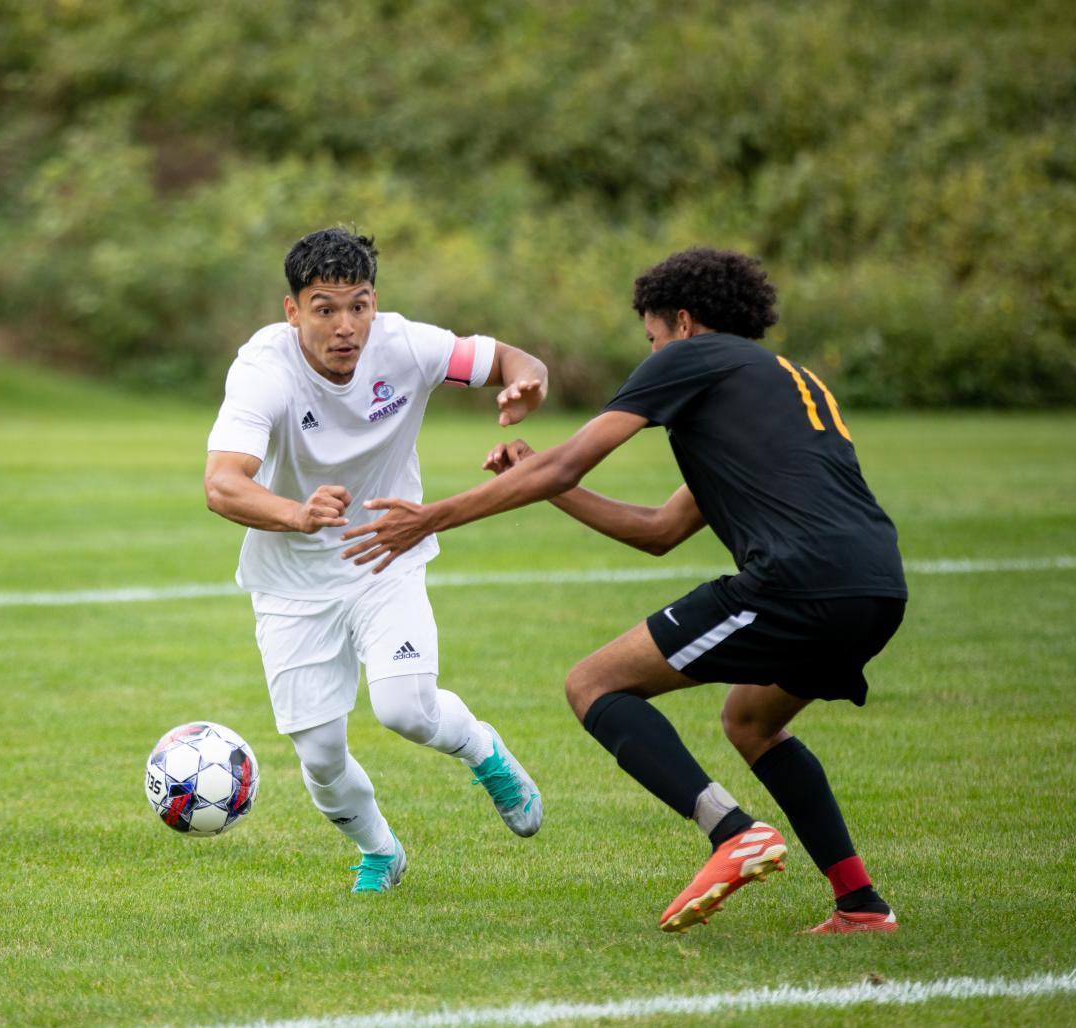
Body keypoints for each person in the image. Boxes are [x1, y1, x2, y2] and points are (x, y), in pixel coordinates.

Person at [340, 247, 906, 933]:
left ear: (684, 324)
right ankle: (859, 904)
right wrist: (550, 483)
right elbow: (660, 528)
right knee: (751, 721)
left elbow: (569, 458)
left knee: (594, 685)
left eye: (652, 338)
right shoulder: (779, 384)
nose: (653, 353)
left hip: (797, 580)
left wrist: (434, 515)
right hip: (876, 586)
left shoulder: (691, 358)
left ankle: (731, 831)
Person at [205, 227, 549, 893]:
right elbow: (223, 484)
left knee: (405, 709)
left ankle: (484, 751)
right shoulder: (263, 368)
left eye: (358, 305)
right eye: (324, 308)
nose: (345, 327)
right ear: (291, 310)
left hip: (385, 553)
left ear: (375, 304)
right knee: (320, 757)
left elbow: (511, 358)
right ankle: (379, 852)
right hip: (291, 578)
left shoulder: (407, 346)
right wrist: (298, 514)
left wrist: (525, 383)